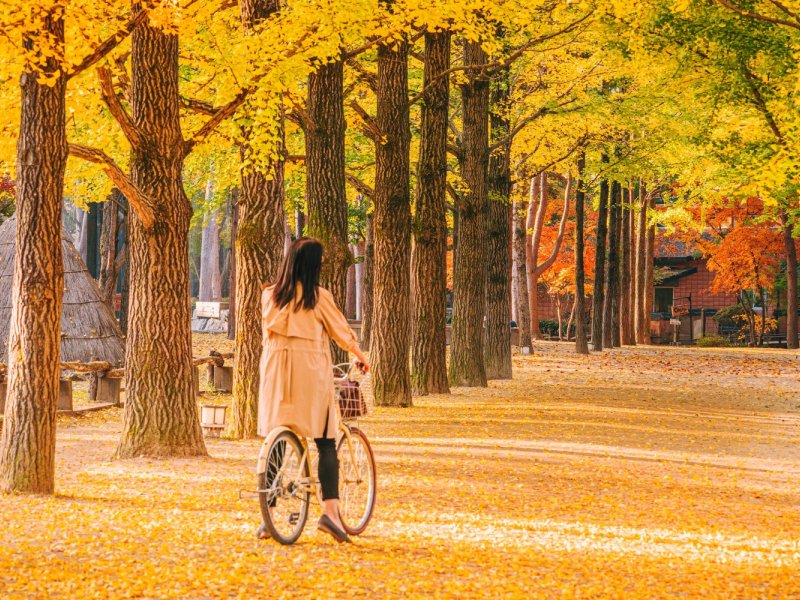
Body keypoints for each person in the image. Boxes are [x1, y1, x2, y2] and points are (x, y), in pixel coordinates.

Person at [256, 237, 369, 544]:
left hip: (276, 373)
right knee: (326, 439)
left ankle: (270, 516)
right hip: (310, 373)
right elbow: (340, 331)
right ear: (313, 265)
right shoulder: (318, 297)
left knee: (278, 438)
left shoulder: (270, 296)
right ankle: (331, 514)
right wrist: (360, 356)